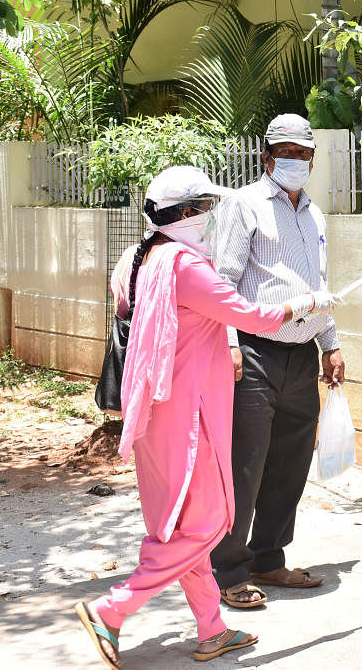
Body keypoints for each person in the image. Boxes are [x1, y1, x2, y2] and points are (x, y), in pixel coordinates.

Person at [73, 165, 338, 668]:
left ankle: (212, 629)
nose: (211, 217)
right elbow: (250, 315)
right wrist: (310, 302)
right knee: (209, 523)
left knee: (179, 528)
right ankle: (113, 608)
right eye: (204, 209)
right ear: (186, 214)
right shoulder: (184, 266)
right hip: (189, 418)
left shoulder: (140, 256)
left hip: (157, 414)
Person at [209, 113, 345, 609]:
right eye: (285, 153)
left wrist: (330, 342)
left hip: (303, 355)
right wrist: (227, 344)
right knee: (246, 464)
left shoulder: (315, 215)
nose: (294, 161)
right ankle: (228, 571)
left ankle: (268, 558)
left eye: (302, 154)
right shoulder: (244, 205)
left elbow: (319, 287)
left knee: (289, 463)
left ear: (312, 160)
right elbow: (222, 281)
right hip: (253, 353)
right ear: (266, 155)